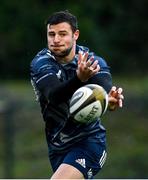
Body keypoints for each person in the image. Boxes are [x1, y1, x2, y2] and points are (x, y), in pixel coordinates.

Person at [30, 10, 124, 179]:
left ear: (76, 35)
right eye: (51, 34)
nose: (56, 40)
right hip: (57, 147)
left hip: (89, 143)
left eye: (62, 34)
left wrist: (109, 100)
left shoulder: (93, 62)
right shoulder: (41, 63)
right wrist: (79, 79)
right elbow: (54, 96)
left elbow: (104, 91)